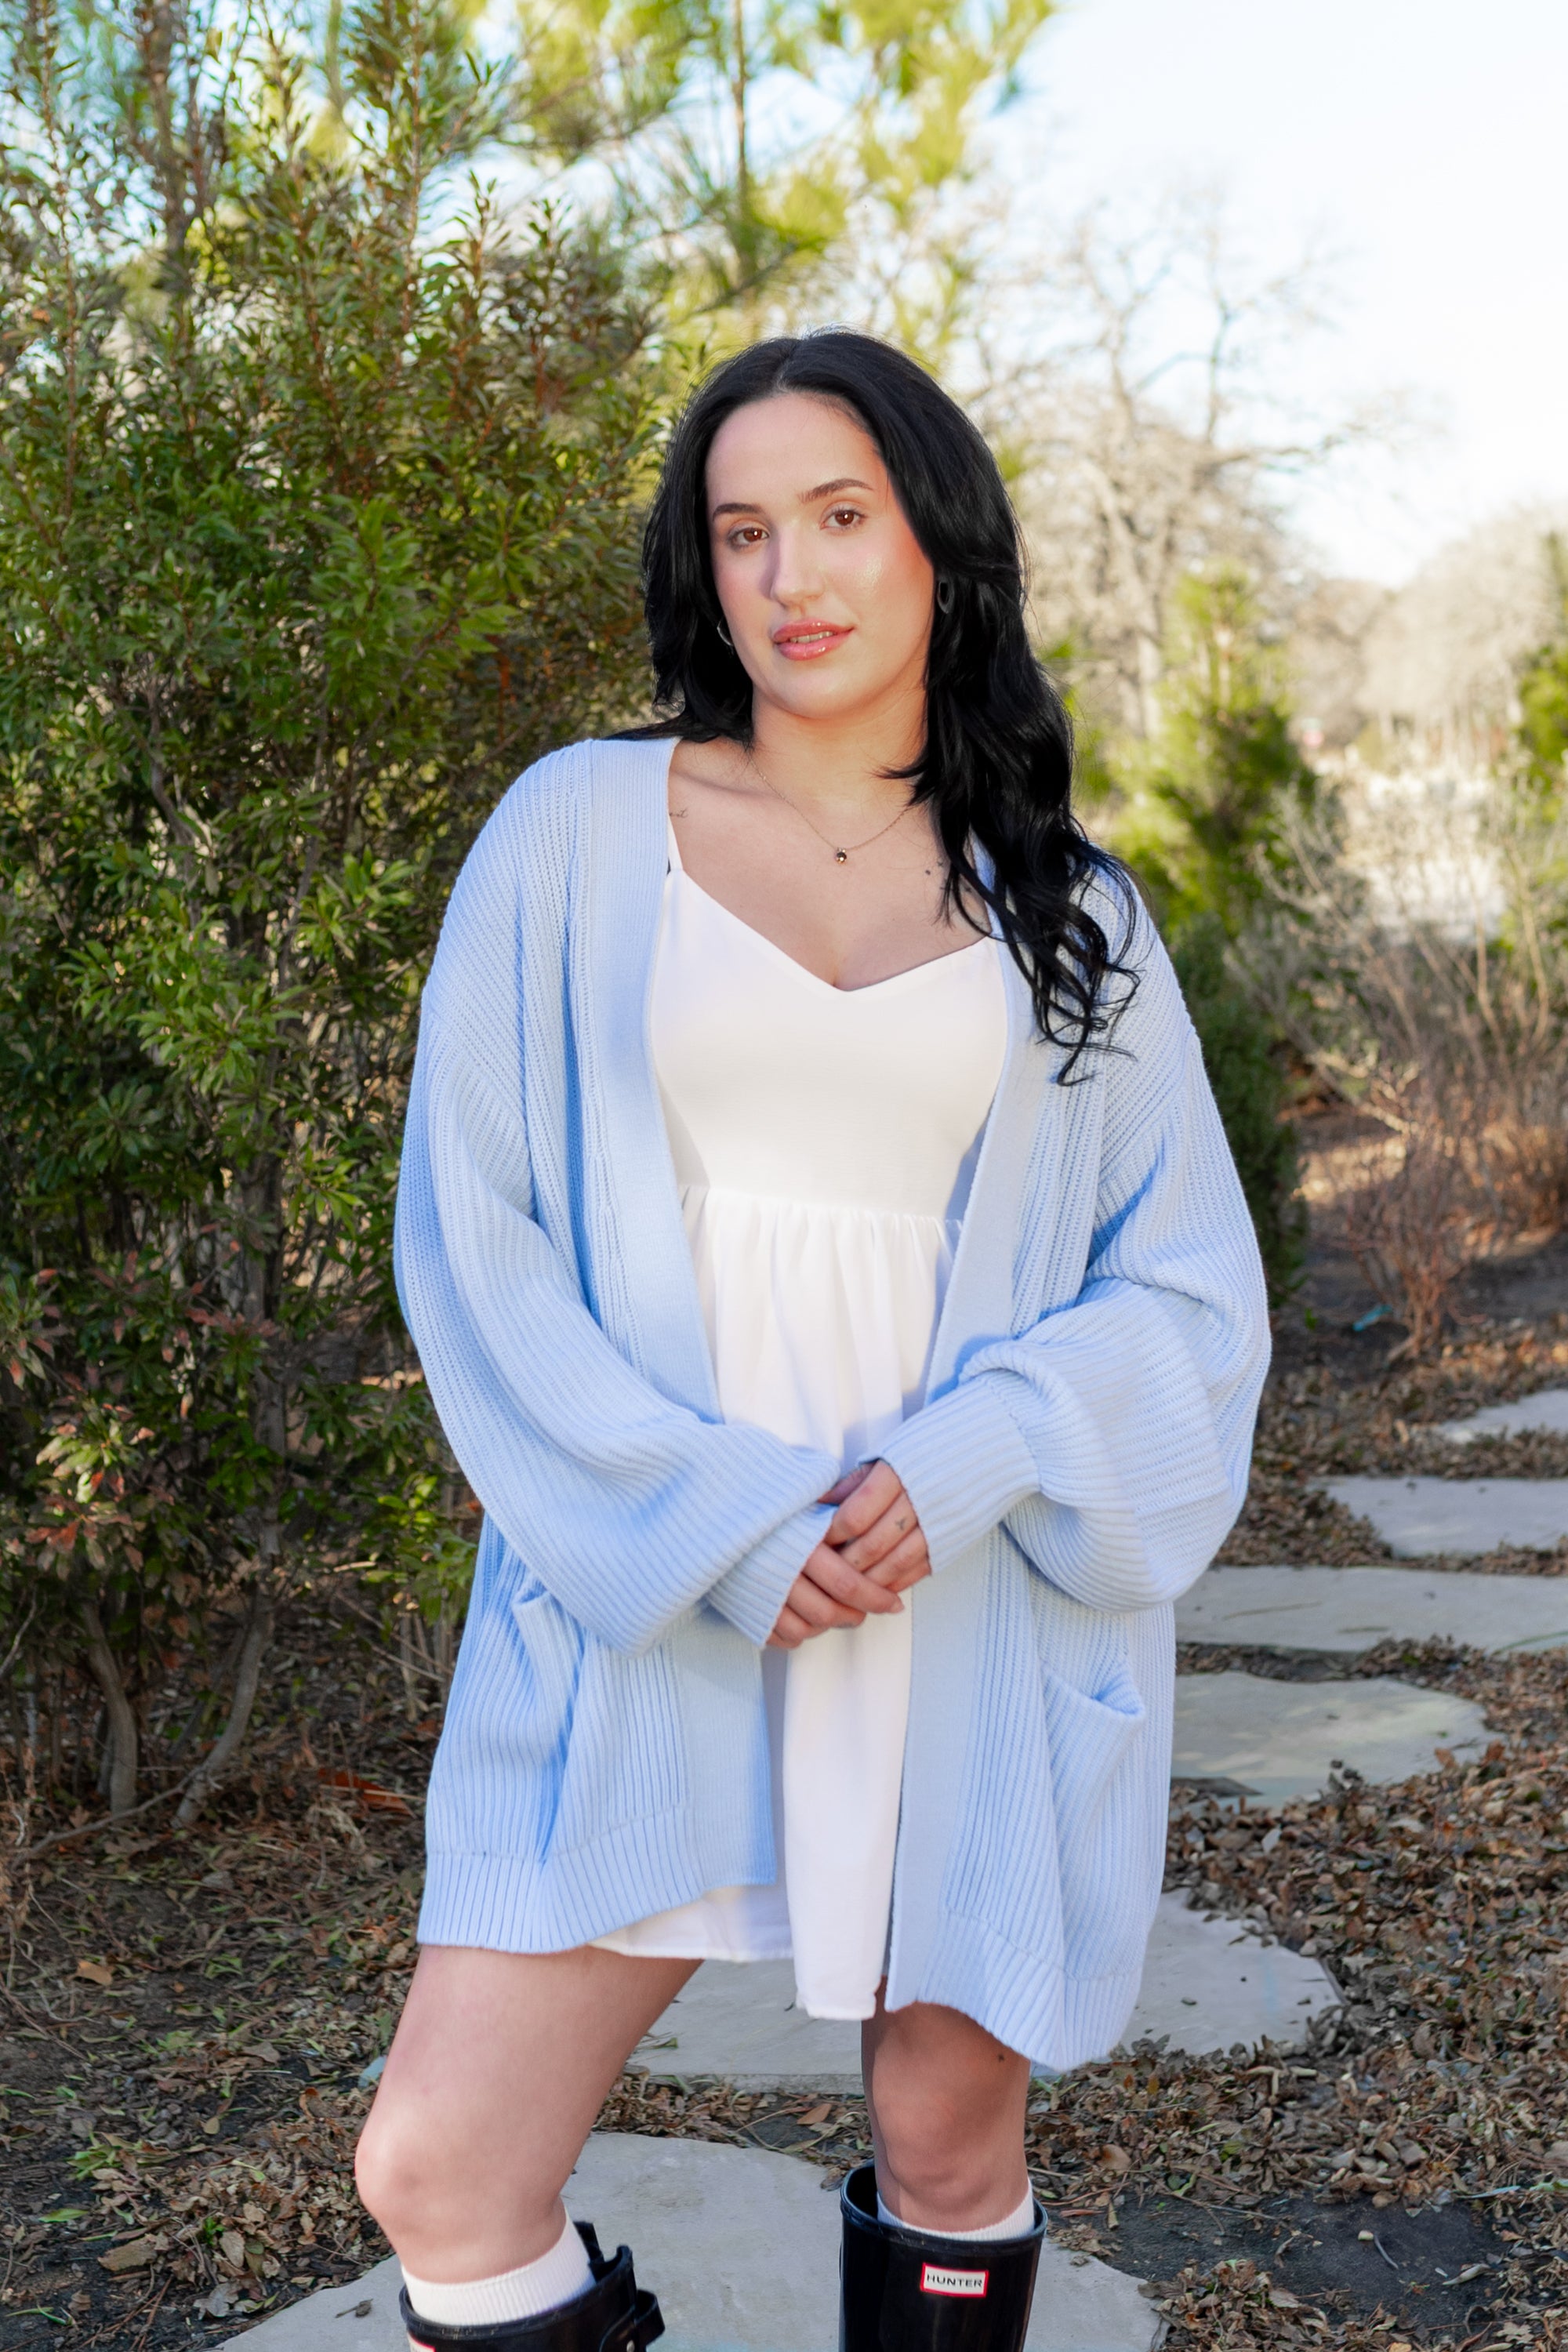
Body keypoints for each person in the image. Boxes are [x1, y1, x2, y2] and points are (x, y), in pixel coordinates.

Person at [355, 330, 1269, 2352]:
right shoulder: (578, 834)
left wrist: (962, 1471)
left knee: (951, 2153)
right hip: (653, 1591)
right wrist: (734, 1528)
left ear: (943, 548)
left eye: (841, 518)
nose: (793, 576)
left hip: (968, 1613)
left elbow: (1192, 1301)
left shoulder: (1077, 919)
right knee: (441, 2166)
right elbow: (478, 1248)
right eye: (743, 530)